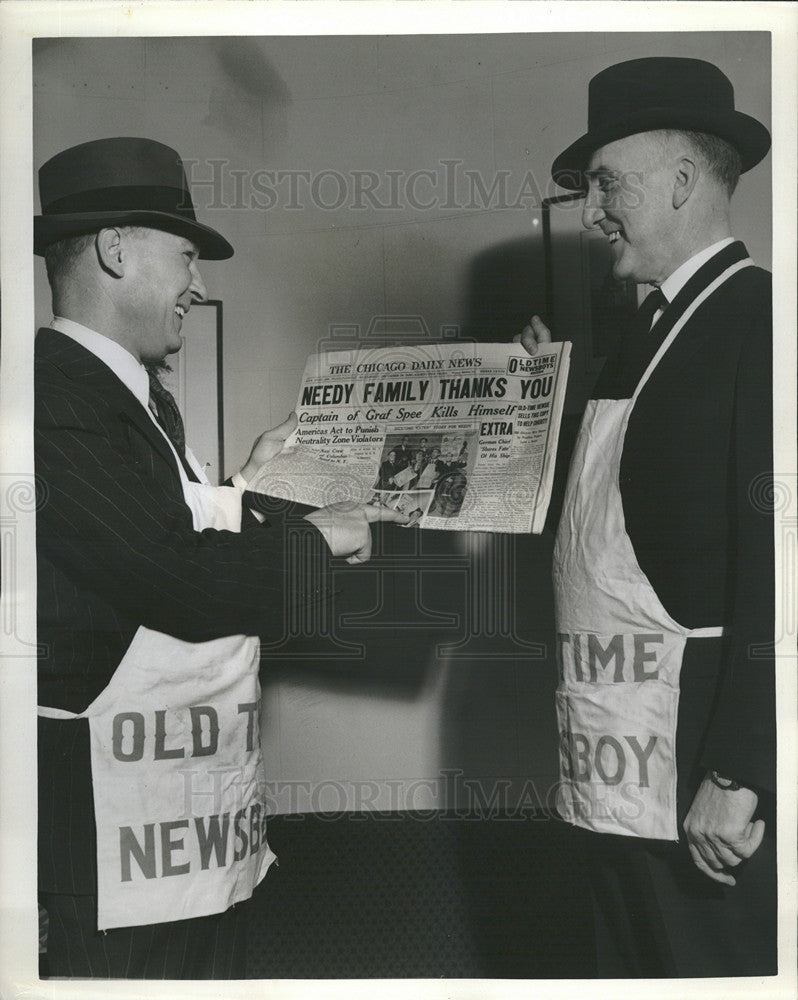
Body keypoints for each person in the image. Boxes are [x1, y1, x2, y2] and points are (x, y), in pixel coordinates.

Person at [33, 136, 407, 979]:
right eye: (187, 256)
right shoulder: (54, 394)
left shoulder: (126, 394)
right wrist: (323, 536)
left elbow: (145, 538)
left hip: (181, 844)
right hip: (111, 856)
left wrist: (249, 483)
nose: (197, 287)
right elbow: (177, 579)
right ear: (115, 249)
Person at [519, 57, 775, 977]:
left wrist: (742, 775)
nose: (591, 212)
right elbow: (601, 522)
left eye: (605, 183)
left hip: (707, 774)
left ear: (682, 180)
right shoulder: (641, 337)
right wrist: (541, 406)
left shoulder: (762, 321)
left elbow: (783, 573)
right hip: (617, 767)